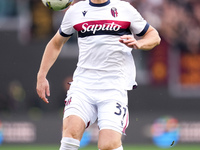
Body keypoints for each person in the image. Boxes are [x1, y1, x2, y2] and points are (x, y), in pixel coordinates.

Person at [36, 0, 161, 149]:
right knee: (71, 132)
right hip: (83, 86)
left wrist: (140, 43)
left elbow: (154, 36)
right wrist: (41, 75)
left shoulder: (124, 9)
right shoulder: (76, 11)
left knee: (108, 145)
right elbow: (56, 43)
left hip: (113, 87)